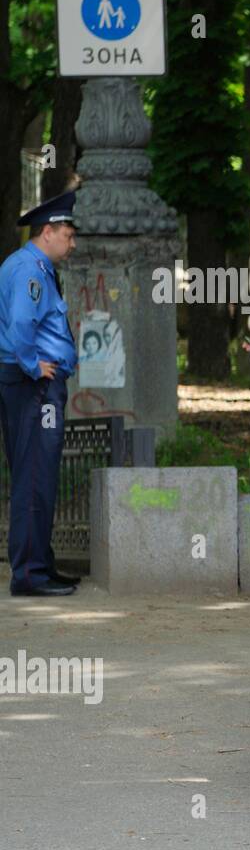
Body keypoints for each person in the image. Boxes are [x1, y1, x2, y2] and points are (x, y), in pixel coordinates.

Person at [0, 192, 81, 598]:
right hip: (35, 386)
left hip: (33, 385)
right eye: (67, 234)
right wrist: (34, 365)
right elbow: (20, 325)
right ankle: (30, 574)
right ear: (47, 232)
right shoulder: (30, 271)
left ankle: (40, 563)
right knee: (35, 475)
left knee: (38, 474)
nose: (72, 242)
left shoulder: (34, 267)